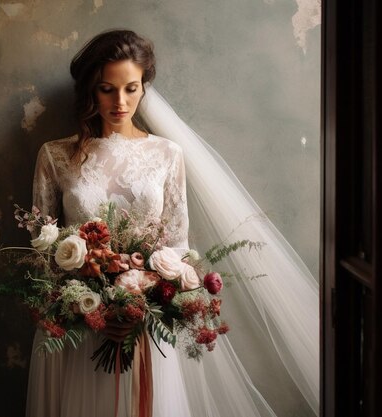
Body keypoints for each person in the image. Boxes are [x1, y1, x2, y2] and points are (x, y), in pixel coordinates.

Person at [26, 29, 318, 417]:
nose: (120, 102)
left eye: (131, 88)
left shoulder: (166, 154)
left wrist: (137, 307)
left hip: (143, 326)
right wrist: (91, 310)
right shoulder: (56, 155)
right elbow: (42, 249)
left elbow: (176, 246)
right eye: (107, 89)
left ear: (144, 87)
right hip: (78, 327)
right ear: (90, 92)